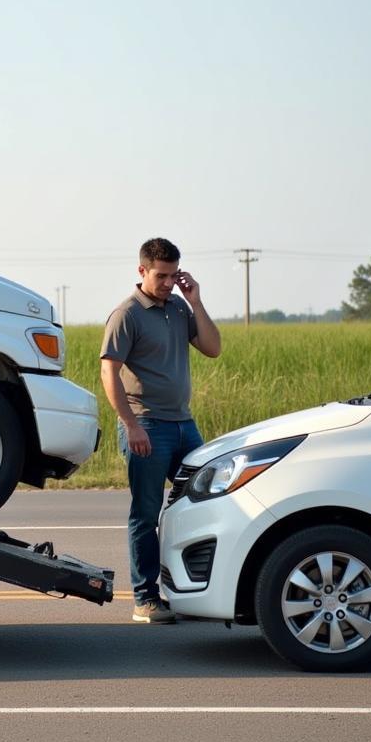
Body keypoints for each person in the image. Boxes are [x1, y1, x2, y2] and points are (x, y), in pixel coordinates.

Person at [100, 237, 221, 624]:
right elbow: (109, 372)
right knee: (146, 513)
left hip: (185, 425)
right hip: (147, 426)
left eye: (174, 276)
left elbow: (213, 348)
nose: (168, 283)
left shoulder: (180, 308)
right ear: (142, 271)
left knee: (207, 501)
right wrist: (131, 425)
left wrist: (196, 300)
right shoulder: (127, 314)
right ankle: (145, 598)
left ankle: (193, 590)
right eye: (161, 276)